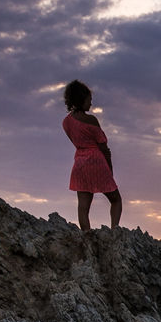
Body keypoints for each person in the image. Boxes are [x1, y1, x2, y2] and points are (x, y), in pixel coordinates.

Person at [62, 80, 121, 229]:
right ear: (81, 99)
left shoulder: (66, 122)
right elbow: (104, 148)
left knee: (83, 207)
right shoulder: (91, 120)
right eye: (89, 100)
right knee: (116, 200)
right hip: (96, 161)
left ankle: (87, 237)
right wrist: (110, 169)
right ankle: (115, 231)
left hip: (79, 164)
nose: (91, 104)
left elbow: (76, 142)